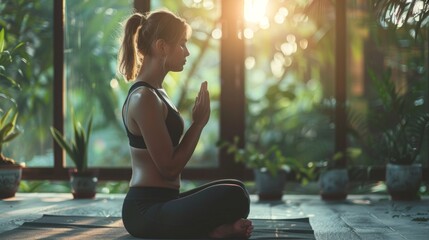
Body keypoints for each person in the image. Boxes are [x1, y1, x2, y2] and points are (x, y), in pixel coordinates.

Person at [118, 9, 253, 239]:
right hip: (144, 211)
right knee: (234, 197)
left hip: (167, 201)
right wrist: (198, 124)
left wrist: (197, 124)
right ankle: (213, 233)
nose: (187, 51)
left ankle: (211, 230)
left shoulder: (158, 93)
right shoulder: (144, 98)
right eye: (182, 44)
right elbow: (169, 168)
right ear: (162, 47)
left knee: (238, 188)